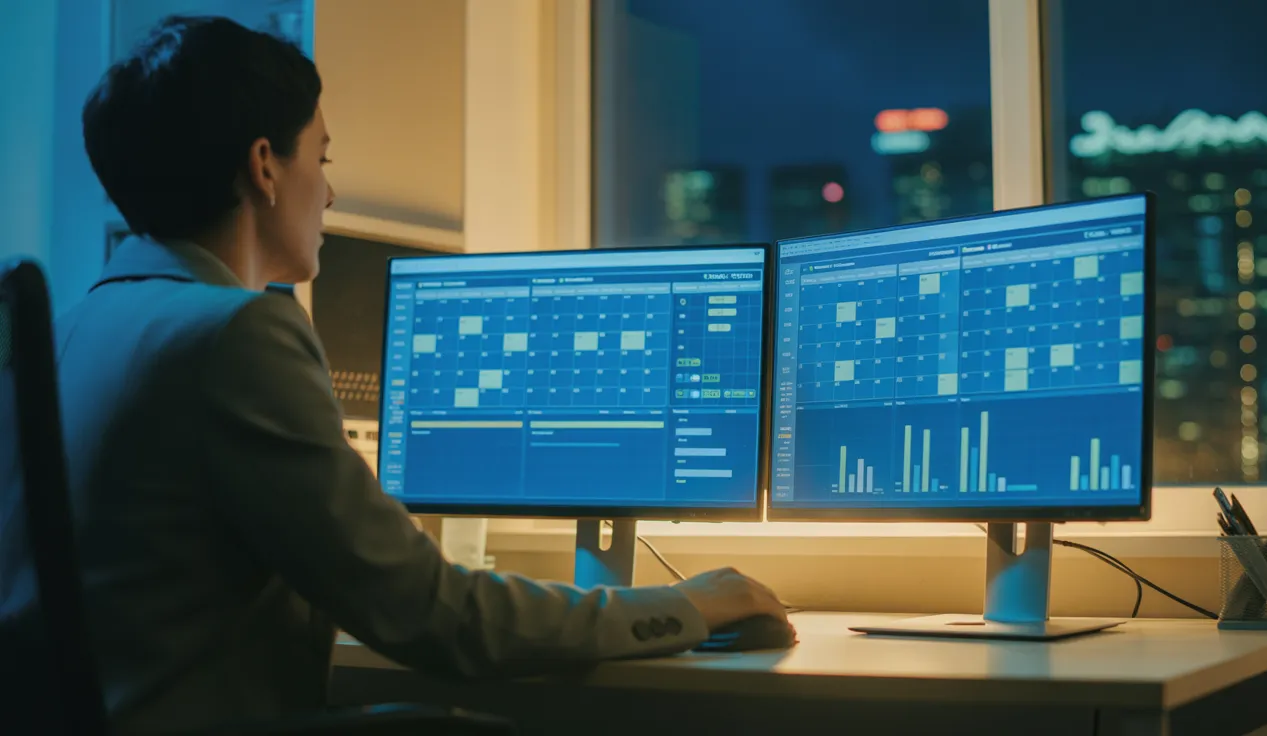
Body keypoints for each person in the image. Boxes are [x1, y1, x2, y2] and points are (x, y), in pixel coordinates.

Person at [0, 15, 786, 733]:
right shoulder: (237, 335)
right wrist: (684, 605)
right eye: (323, 156)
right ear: (265, 169)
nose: (331, 191)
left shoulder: (74, 329)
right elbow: (434, 617)